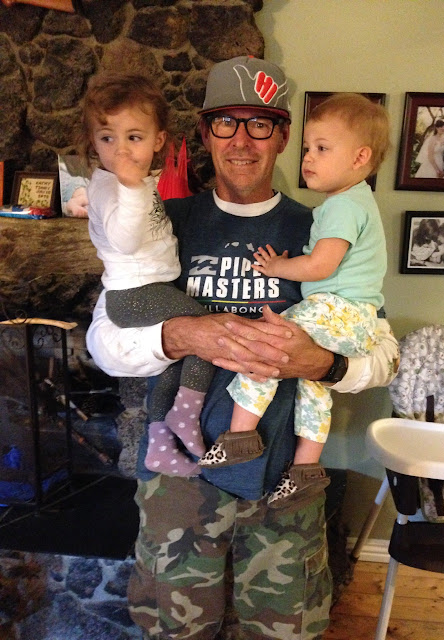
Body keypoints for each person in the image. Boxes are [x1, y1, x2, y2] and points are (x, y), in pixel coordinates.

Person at [86, 56, 399, 640]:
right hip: (180, 477)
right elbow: (103, 339)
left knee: (285, 631)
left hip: (285, 478)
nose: (241, 140)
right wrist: (184, 333)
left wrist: (327, 364)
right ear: (204, 133)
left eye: (260, 123)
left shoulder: (325, 227)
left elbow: (384, 356)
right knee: (174, 630)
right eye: (226, 122)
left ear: (283, 136)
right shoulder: (156, 221)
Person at [198, 93, 389, 509]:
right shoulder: (353, 202)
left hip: (340, 311)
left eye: (322, 149)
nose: (309, 158)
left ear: (360, 157)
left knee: (268, 342)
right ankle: (306, 468)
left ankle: (240, 435)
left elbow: (321, 265)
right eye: (308, 148)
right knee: (314, 388)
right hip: (352, 320)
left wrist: (278, 268)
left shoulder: (341, 206)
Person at [83, 72, 214, 477]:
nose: (121, 150)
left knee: (175, 361)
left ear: (159, 141)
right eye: (108, 138)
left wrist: (136, 186)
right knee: (206, 330)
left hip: (148, 288)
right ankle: (185, 417)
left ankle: (160, 441)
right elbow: (124, 241)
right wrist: (130, 185)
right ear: (93, 141)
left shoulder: (135, 185)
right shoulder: (113, 187)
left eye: (134, 137)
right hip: (134, 293)